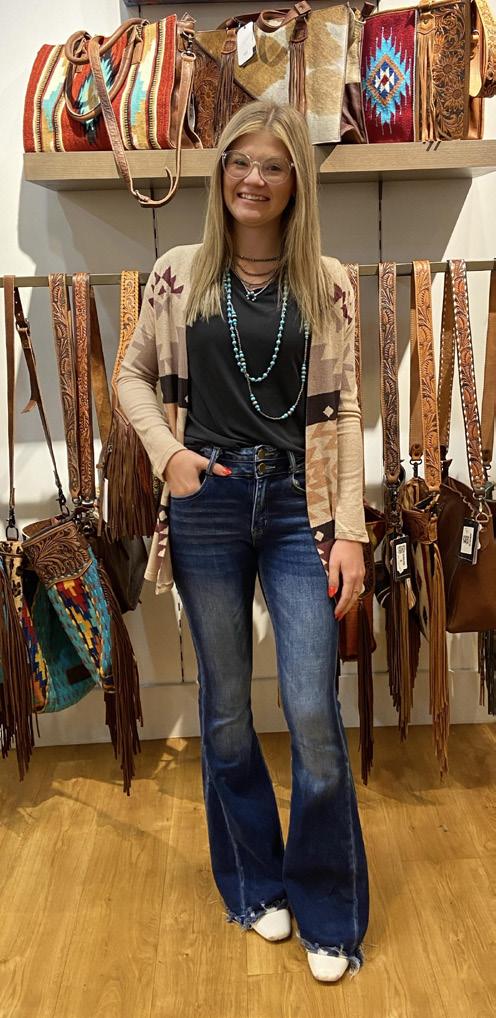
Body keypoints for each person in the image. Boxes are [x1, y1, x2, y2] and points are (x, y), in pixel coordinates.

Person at [116, 99, 369, 983]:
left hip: (302, 506)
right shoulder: (177, 274)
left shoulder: (328, 282)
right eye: (239, 161)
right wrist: (169, 454)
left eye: (272, 165)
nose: (252, 179)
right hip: (210, 503)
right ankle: (256, 884)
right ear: (221, 171)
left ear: (297, 181)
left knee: (312, 711)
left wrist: (350, 532)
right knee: (225, 710)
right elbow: (132, 375)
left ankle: (328, 910)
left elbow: (346, 410)